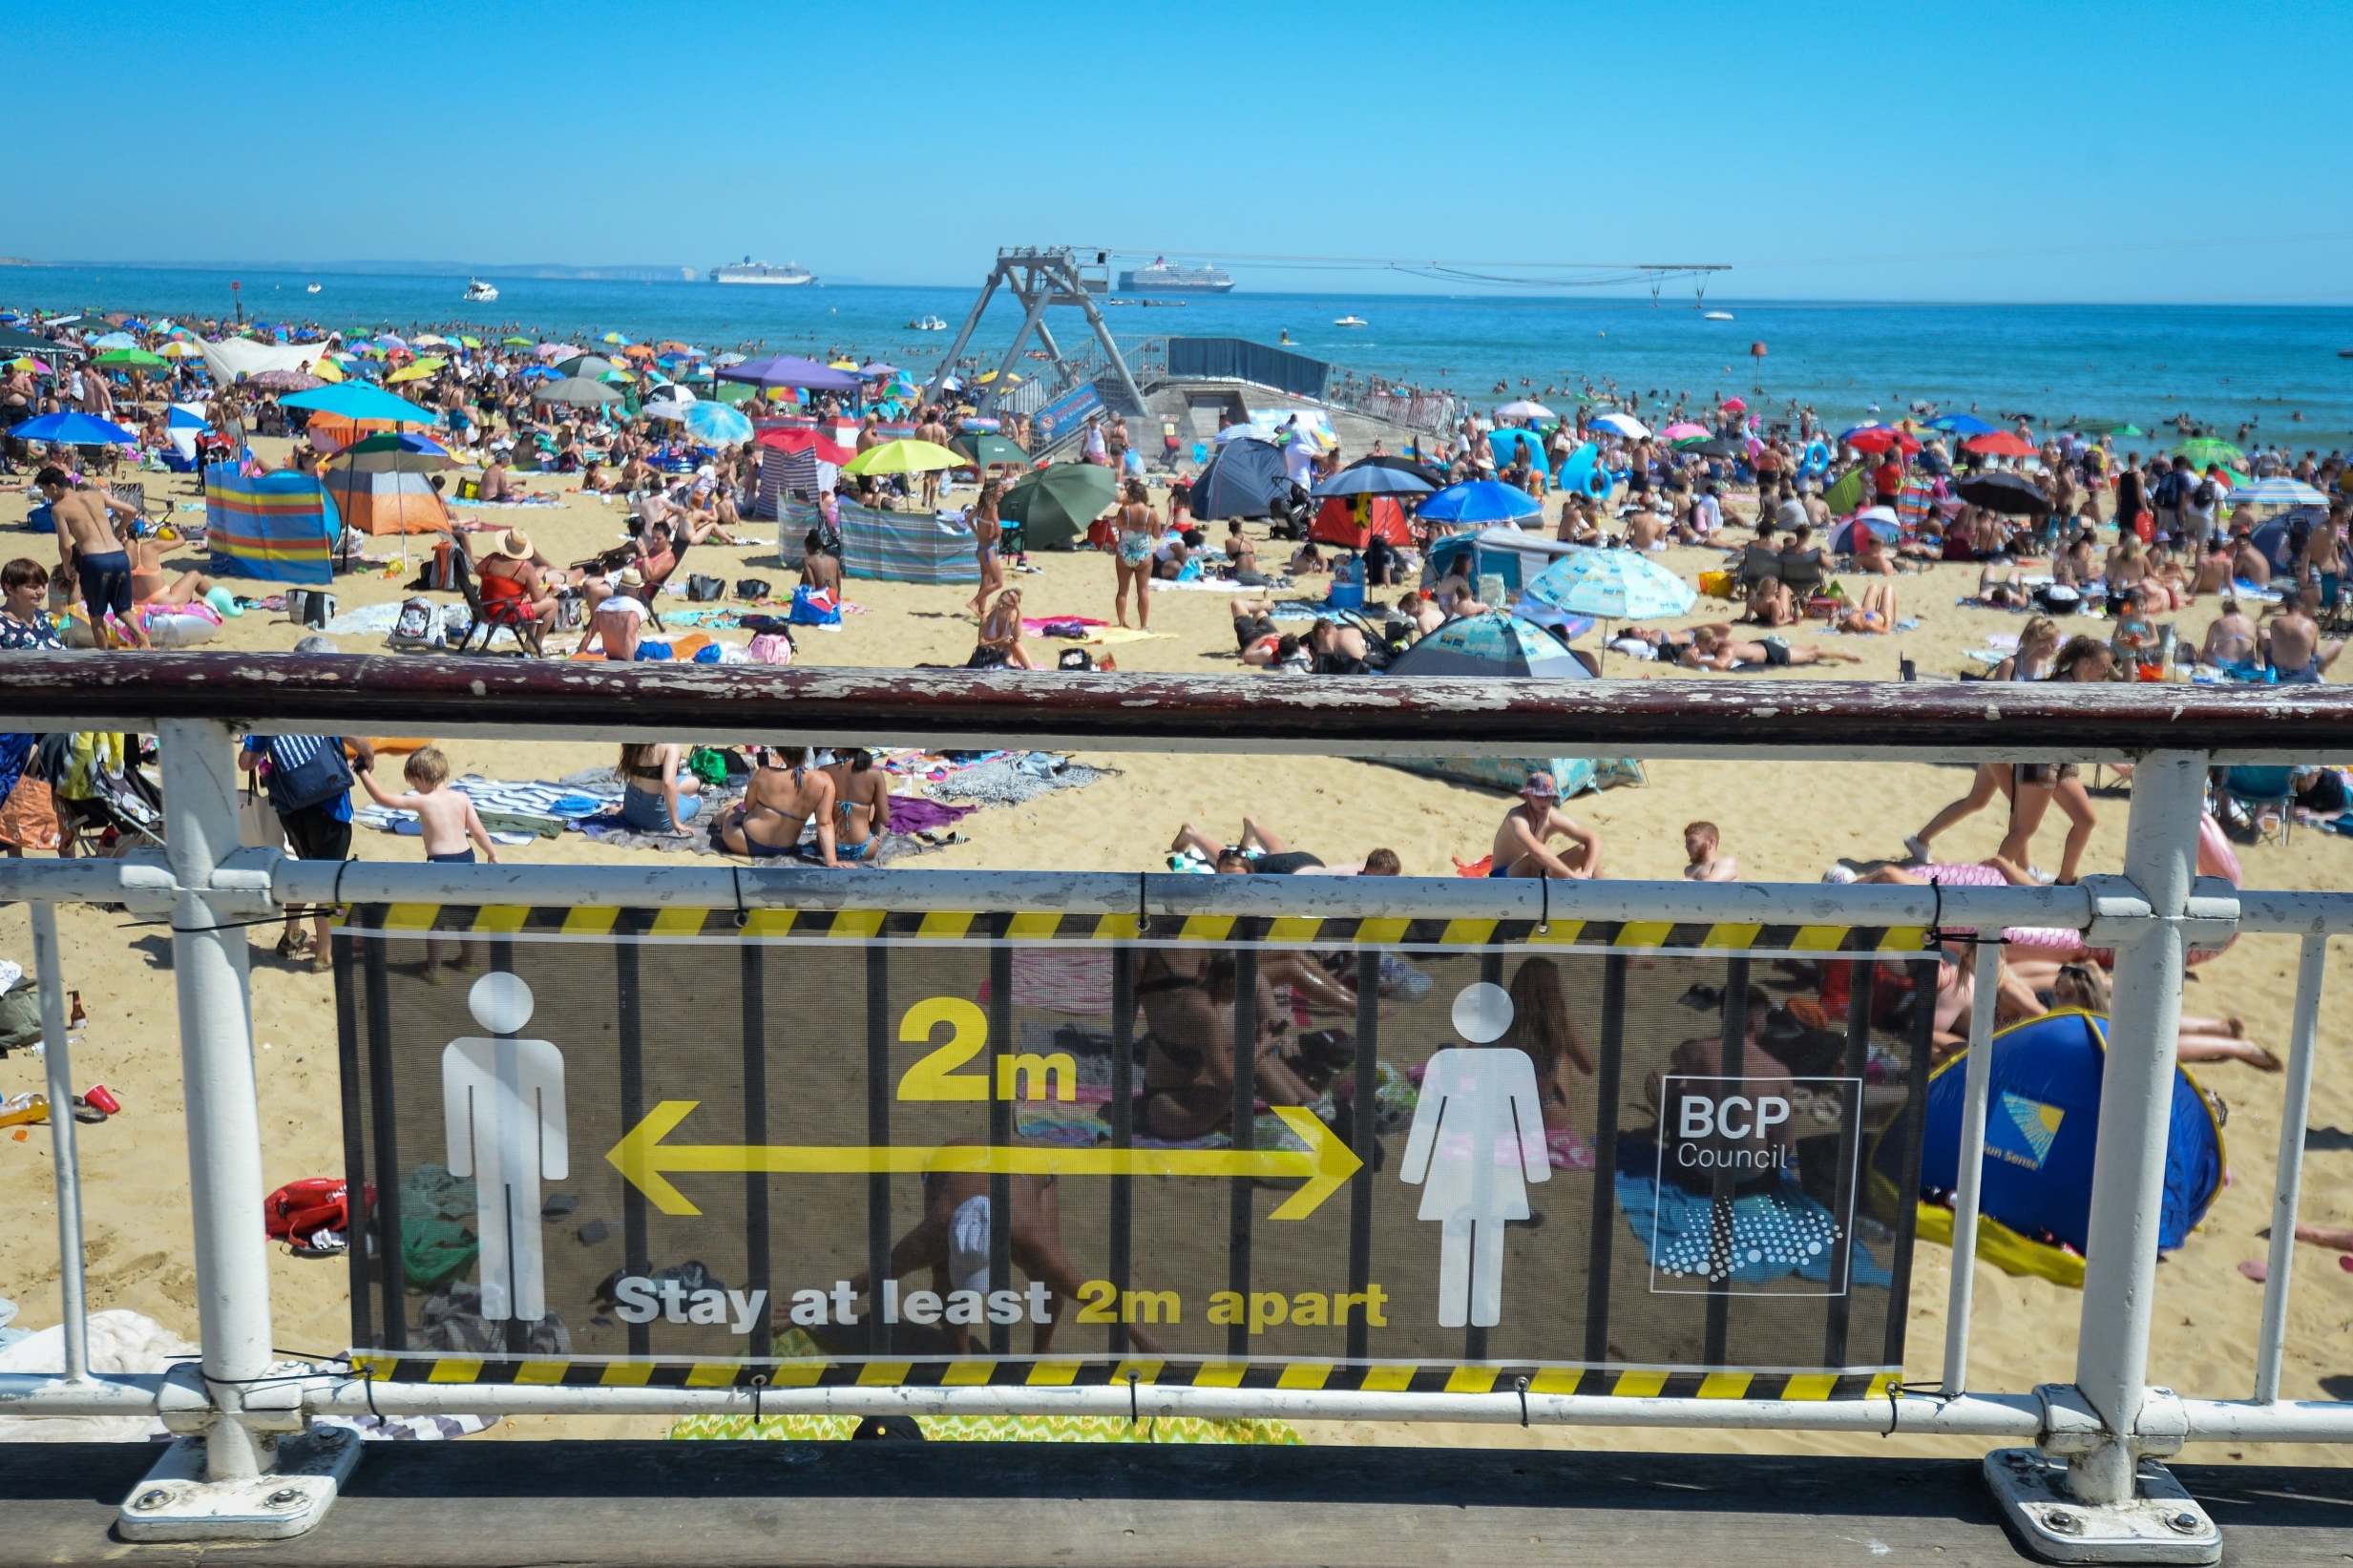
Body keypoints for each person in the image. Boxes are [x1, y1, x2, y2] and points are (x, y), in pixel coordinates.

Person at [242, 730, 374, 970]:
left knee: (304, 870)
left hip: (292, 811)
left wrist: (263, 763)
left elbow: (245, 762)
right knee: (328, 881)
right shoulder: (317, 702)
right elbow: (359, 743)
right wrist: (368, 755)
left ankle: (292, 935)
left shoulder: (266, 714)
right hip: (331, 806)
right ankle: (324, 954)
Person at [1998, 636, 2113, 883]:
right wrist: (2115, 761)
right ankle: (1990, 881)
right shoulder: (2064, 688)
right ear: (2084, 663)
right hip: (2040, 758)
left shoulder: (2077, 686)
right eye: (2103, 668)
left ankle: (2065, 880)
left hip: (2061, 760)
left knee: (2085, 820)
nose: (2107, 673)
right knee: (2024, 829)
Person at [36, 468, 147, 648]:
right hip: (119, 555)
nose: (45, 495)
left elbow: (65, 545)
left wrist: (67, 568)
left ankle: (104, 658)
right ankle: (142, 637)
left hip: (95, 561)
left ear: (54, 487)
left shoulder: (59, 509)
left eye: (44, 490)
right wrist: (117, 532)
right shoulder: (96, 495)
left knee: (96, 616)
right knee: (124, 609)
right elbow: (132, 511)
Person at [356, 745, 497, 865]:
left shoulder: (424, 801)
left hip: (441, 861)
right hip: (467, 856)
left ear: (421, 778)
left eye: (414, 784)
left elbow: (382, 798)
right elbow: (478, 831)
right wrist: (492, 853)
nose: (415, 788)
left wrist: (362, 771)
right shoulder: (462, 798)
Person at [718, 745, 846, 866]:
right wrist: (832, 862)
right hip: (785, 847)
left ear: (780, 753)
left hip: (746, 841)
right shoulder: (824, 781)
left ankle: (716, 819)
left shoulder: (762, 774)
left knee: (730, 812)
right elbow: (824, 824)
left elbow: (749, 807)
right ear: (807, 751)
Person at [1490, 770, 1602, 878]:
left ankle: (1606, 895)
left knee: (1585, 851)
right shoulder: (1516, 818)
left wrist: (1588, 871)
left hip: (1536, 874)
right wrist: (1572, 876)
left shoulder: (1552, 816)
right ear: (1528, 796)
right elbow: (1536, 850)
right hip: (1502, 879)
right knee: (1535, 858)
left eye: (1548, 796)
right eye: (1539, 796)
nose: (1544, 801)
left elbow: (1593, 838)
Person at [821, 747, 893, 865]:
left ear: (840, 748)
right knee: (872, 807)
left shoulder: (824, 771)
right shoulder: (875, 774)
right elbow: (885, 819)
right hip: (865, 848)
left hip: (828, 848)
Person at [616, 741, 702, 836]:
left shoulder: (632, 740)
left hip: (630, 812)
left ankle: (675, 794)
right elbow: (668, 783)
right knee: (696, 799)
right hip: (658, 821)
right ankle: (679, 795)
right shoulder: (670, 745)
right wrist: (676, 823)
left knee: (692, 782)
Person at [1677, 628, 1861, 669]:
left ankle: (1843, 654)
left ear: (1708, 643)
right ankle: (1814, 647)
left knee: (1812, 656)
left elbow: (1721, 665)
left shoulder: (1726, 650)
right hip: (1762, 645)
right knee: (1805, 652)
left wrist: (1698, 660)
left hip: (1772, 653)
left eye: (1700, 647)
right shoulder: (1717, 641)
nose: (1698, 649)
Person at [2263, 595, 2342, 684]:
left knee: (2264, 633)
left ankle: (2262, 665)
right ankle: (2320, 671)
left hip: (2278, 671)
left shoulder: (2275, 622)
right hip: (2302, 674)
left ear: (2287, 607)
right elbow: (2313, 653)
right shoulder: (2311, 625)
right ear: (2302, 607)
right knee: (2338, 643)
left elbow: (2273, 644)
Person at [578, 565, 650, 660]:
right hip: (632, 654)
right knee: (665, 649)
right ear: (637, 590)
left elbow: (588, 636)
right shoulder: (636, 607)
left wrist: (577, 657)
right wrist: (630, 668)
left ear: (620, 586)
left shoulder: (602, 606)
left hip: (610, 654)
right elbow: (629, 638)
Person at [1112, 479, 1156, 631]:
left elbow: (1118, 527)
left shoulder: (1124, 511)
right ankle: (1144, 625)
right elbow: (1157, 534)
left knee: (1123, 590)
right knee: (1143, 590)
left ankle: (1121, 623)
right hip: (1143, 555)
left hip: (1124, 553)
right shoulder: (1152, 512)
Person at [968, 478, 1005, 617]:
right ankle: (973, 602)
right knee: (999, 582)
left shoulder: (982, 506)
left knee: (986, 581)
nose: (1002, 494)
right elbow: (999, 530)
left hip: (980, 549)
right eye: (1000, 491)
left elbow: (968, 518)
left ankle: (982, 612)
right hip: (988, 550)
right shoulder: (993, 507)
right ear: (992, 492)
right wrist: (995, 538)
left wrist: (978, 533)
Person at [973, 587, 1033, 670]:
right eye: (1000, 601)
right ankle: (1013, 668)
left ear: (1012, 607)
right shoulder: (987, 616)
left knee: (1015, 643)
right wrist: (1000, 641)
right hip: (989, 654)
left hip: (1006, 654)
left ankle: (1031, 670)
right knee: (1009, 647)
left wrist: (1019, 611)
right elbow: (981, 643)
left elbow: (1017, 637)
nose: (1001, 605)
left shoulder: (1013, 616)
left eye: (1006, 604)